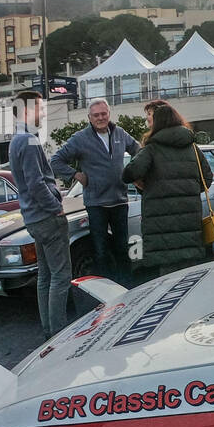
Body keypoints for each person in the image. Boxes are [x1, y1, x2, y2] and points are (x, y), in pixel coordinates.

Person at [50, 98, 140, 287]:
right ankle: (105, 291)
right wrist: (75, 174)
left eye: (104, 114)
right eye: (96, 115)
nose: (101, 118)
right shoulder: (80, 138)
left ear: (109, 114)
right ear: (89, 118)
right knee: (100, 250)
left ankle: (127, 288)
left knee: (122, 249)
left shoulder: (120, 133)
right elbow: (56, 161)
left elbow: (138, 150)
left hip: (119, 201)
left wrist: (135, 173)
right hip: (96, 204)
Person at [122, 100, 212, 279]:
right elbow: (207, 179)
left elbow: (129, 174)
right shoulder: (193, 148)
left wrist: (147, 187)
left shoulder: (151, 149)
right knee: (191, 276)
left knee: (168, 280)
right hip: (189, 220)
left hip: (160, 223)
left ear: (158, 123)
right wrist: (187, 191)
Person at [8, 91, 70, 338]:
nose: (43, 113)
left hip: (33, 220)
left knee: (45, 276)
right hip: (47, 218)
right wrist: (55, 207)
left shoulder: (16, 140)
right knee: (61, 277)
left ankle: (49, 331)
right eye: (40, 108)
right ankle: (59, 332)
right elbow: (36, 184)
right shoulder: (29, 141)